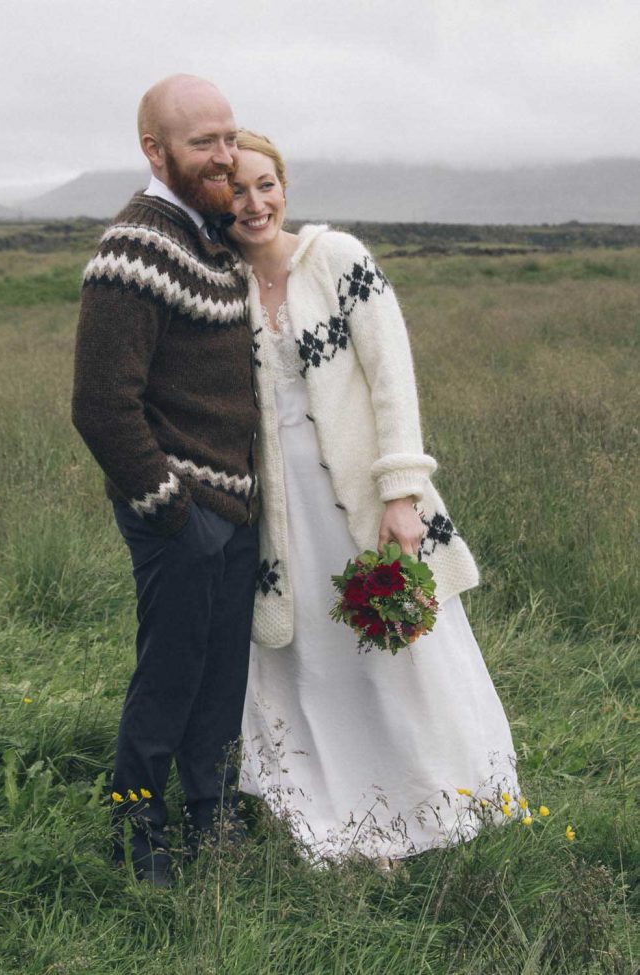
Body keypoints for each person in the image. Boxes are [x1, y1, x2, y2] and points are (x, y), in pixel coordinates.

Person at [228, 131, 518, 863]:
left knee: (401, 654)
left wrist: (402, 493)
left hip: (358, 497)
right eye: (235, 190)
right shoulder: (221, 282)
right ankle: (337, 817)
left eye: (266, 184)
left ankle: (440, 806)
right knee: (315, 660)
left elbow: (393, 376)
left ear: (285, 186)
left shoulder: (337, 259)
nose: (253, 202)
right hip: (280, 517)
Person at [72, 76, 260, 886]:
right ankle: (136, 833)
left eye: (229, 136)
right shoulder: (135, 249)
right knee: (170, 676)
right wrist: (171, 508)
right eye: (202, 143)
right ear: (156, 151)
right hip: (182, 511)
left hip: (233, 507)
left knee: (222, 680)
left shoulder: (209, 236)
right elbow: (100, 404)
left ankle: (212, 818)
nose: (224, 155)